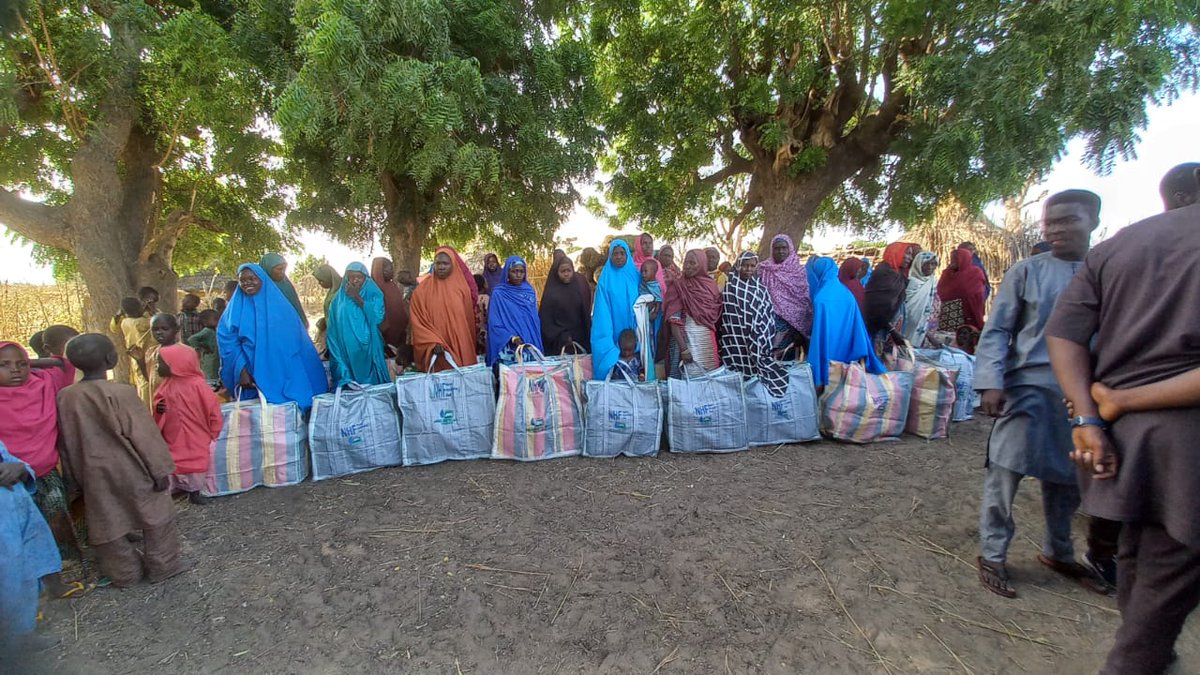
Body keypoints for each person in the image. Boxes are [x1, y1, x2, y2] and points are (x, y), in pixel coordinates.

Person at [1046, 196, 1200, 675]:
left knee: (1139, 552)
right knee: (1164, 579)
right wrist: (1118, 403)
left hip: (1121, 439)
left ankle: (1150, 653)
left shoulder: (1123, 243)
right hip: (1186, 449)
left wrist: (1088, 418)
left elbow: (1063, 334)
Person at [974, 189, 1109, 600]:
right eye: (1051, 221)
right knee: (1005, 471)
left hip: (1083, 398)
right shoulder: (1027, 271)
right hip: (1028, 387)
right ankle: (993, 553)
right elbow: (997, 329)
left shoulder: (1105, 272)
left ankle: (1059, 552)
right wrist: (991, 382)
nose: (1056, 229)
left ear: (1093, 223)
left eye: (1069, 220)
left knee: (1067, 479)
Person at [58, 334, 188, 588]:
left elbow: (66, 440)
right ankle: (164, 566)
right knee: (157, 517)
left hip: (92, 470)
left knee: (107, 521)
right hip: (132, 467)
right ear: (111, 359)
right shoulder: (122, 393)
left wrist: (73, 476)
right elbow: (144, 434)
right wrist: (160, 469)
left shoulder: (66, 396)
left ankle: (125, 573)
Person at [0, 341, 79, 598]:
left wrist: (32, 363)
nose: (16, 371)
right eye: (4, 365)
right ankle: (25, 588)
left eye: (21, 364)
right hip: (9, 482)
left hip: (45, 473)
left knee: (54, 524)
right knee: (19, 535)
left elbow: (64, 363)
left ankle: (59, 575)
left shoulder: (42, 385)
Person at [218, 263, 328, 410]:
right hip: (252, 374)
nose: (247, 283)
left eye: (252, 278)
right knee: (259, 419)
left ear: (262, 279)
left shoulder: (282, 307)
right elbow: (227, 340)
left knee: (293, 409)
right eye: (242, 280)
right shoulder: (234, 311)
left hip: (284, 369)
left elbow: (297, 341)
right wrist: (241, 370)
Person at [0, 439, 63, 656]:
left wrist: (19, 469)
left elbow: (13, 463)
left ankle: (23, 634)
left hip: (18, 515)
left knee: (24, 577)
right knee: (6, 581)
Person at [153, 344, 222, 505]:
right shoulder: (165, 385)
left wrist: (214, 430)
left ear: (176, 363)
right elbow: (157, 403)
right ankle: (175, 488)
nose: (156, 367)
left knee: (195, 459)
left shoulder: (198, 385)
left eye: (159, 363)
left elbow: (213, 409)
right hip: (173, 433)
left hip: (196, 433)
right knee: (173, 458)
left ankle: (195, 491)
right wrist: (158, 408)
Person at [718, 252, 791, 396]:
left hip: (757, 338)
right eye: (745, 265)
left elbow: (768, 311)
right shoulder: (730, 286)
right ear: (738, 265)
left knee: (753, 376)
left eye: (752, 266)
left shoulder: (760, 287)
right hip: (735, 339)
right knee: (735, 376)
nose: (748, 269)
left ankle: (754, 403)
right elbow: (727, 313)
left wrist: (761, 332)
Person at [806, 257, 885, 387]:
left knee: (827, 386)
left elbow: (818, 333)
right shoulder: (846, 293)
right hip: (848, 350)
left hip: (827, 351)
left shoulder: (821, 298)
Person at [410, 247, 479, 372]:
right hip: (436, 351)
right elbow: (417, 321)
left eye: (445, 263)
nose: (441, 267)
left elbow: (468, 323)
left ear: (453, 264)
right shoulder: (421, 291)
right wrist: (432, 342)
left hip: (460, 346)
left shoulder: (462, 289)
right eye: (438, 263)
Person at [327, 262, 390, 386]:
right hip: (346, 349)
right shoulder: (337, 301)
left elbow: (377, 317)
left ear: (365, 278)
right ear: (347, 278)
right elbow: (332, 326)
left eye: (359, 277)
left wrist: (358, 298)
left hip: (368, 348)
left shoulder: (374, 294)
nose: (355, 280)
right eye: (352, 277)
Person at [664, 249, 722, 377]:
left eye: (692, 263)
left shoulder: (711, 286)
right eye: (686, 262)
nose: (687, 266)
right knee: (686, 381)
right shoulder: (678, 286)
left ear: (701, 264)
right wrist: (684, 349)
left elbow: (715, 315)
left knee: (709, 379)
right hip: (685, 342)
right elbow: (673, 320)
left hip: (707, 341)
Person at [590, 240, 641, 380]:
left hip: (635, 333)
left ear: (627, 256)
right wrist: (610, 342)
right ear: (610, 256)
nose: (619, 257)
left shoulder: (636, 277)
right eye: (615, 253)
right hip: (613, 332)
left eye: (622, 253)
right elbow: (601, 313)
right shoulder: (605, 281)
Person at [758, 234, 813, 358]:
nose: (781, 251)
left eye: (784, 248)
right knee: (770, 358)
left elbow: (803, 299)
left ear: (790, 249)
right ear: (772, 250)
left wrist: (800, 326)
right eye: (777, 248)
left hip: (794, 327)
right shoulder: (764, 269)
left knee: (789, 361)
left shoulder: (799, 271)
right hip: (769, 324)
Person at [486, 256, 543, 367]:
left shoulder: (529, 291)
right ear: (507, 272)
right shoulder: (499, 293)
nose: (518, 275)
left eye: (521, 271)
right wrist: (512, 337)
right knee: (511, 381)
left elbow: (534, 320)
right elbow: (494, 323)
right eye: (514, 271)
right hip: (508, 346)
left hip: (530, 342)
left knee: (533, 378)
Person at [862, 242, 918, 342]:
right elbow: (877, 308)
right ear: (896, 253)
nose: (910, 258)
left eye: (911, 255)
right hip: (879, 326)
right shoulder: (885, 273)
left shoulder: (898, 273)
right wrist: (892, 330)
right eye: (908, 253)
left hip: (890, 325)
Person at [539, 253, 592, 355]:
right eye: (563, 271)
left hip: (580, 340)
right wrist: (562, 336)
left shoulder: (578, 288)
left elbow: (585, 313)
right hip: (558, 342)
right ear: (556, 272)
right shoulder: (551, 293)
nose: (566, 274)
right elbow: (546, 321)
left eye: (569, 270)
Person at [937, 247, 988, 344]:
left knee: (962, 340)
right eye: (951, 259)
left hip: (964, 313)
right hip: (944, 315)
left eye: (956, 259)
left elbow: (976, 294)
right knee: (945, 339)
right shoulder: (946, 274)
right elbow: (940, 292)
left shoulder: (975, 273)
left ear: (964, 259)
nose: (952, 261)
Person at [370, 257, 411, 363]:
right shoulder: (374, 289)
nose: (392, 271)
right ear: (380, 270)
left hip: (399, 335)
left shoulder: (392, 286)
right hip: (384, 337)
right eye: (389, 269)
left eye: (392, 268)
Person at [902, 252, 940, 347]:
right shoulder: (909, 282)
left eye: (933, 264)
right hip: (905, 325)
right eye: (926, 263)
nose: (930, 267)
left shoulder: (933, 282)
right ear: (918, 264)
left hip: (923, 327)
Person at [260, 253, 308, 328]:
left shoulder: (287, 286)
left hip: (290, 327)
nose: (282, 272)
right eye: (279, 269)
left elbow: (296, 307)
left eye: (284, 269)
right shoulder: (258, 287)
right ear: (268, 268)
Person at [186, 309, 222, 388]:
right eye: (215, 319)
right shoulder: (207, 331)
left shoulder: (215, 331)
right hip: (210, 362)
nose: (218, 321)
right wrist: (201, 347)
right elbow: (191, 339)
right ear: (205, 322)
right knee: (211, 381)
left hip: (216, 361)